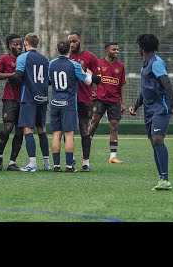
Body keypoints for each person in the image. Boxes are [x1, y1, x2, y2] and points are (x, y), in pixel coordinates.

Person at [129, 34, 173, 191]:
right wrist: (136, 105)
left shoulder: (156, 63)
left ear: (142, 47)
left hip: (161, 108)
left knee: (158, 139)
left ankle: (165, 180)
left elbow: (166, 83)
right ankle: (161, 179)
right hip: (148, 111)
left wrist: (172, 105)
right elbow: (145, 89)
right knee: (154, 142)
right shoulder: (145, 64)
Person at [48, 40, 93, 172]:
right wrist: (89, 73)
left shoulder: (51, 64)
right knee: (68, 134)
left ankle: (56, 166)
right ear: (69, 50)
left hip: (55, 102)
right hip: (68, 104)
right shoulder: (74, 65)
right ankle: (69, 166)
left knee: (56, 133)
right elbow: (88, 82)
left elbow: (49, 81)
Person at [9, 33, 50, 172]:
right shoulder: (45, 59)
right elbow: (48, 80)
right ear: (37, 44)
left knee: (27, 128)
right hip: (43, 98)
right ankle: (46, 163)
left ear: (26, 43)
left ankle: (32, 163)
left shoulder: (23, 57)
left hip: (29, 98)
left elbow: (18, 76)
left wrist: (11, 78)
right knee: (41, 129)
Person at [88, 42, 127, 166]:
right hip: (99, 99)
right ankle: (85, 150)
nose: (117, 51)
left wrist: (123, 102)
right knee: (94, 123)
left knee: (114, 125)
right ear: (107, 51)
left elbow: (121, 85)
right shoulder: (98, 63)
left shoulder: (120, 66)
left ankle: (113, 156)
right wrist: (91, 92)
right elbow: (90, 78)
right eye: (114, 49)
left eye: (118, 49)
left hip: (114, 100)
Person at [67, 31, 101, 167]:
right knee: (68, 129)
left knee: (83, 128)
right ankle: (71, 158)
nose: (71, 44)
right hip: (68, 98)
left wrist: (85, 72)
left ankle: (86, 161)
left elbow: (98, 80)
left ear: (80, 40)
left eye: (74, 41)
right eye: (69, 42)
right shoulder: (66, 57)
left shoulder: (90, 57)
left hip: (85, 98)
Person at [0, 33, 24, 171]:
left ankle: (12, 162)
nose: (19, 47)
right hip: (10, 98)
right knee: (7, 128)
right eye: (15, 44)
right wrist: (13, 75)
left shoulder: (25, 58)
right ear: (9, 45)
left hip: (24, 99)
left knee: (20, 131)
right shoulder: (4, 59)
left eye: (20, 44)